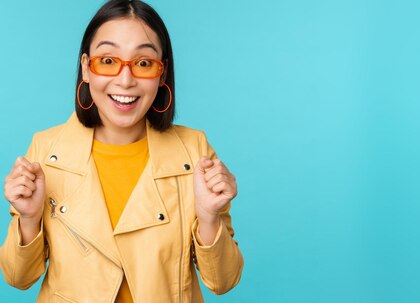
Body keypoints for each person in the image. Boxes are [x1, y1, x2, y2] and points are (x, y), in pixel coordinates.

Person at [0, 0, 244, 302]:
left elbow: (224, 281)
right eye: (107, 61)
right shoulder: (46, 149)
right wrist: (29, 220)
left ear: (162, 73)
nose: (125, 80)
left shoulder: (194, 151)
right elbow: (17, 278)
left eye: (143, 63)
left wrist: (209, 218)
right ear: (86, 68)